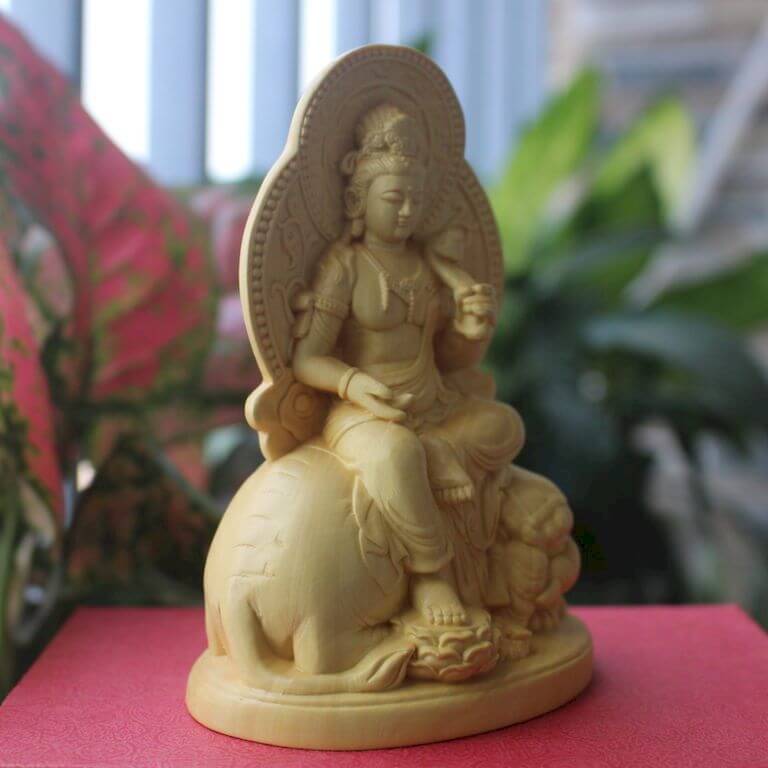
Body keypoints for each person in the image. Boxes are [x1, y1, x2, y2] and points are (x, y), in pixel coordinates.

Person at [292, 104, 524, 627]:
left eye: (415, 201)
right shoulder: (344, 266)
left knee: (504, 424)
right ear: (360, 198)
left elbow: (447, 359)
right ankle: (430, 574)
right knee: (395, 456)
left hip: (433, 406)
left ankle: (438, 452)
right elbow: (307, 359)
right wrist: (352, 383)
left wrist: (469, 329)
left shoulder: (427, 266)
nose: (406, 212)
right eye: (393, 199)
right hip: (365, 411)